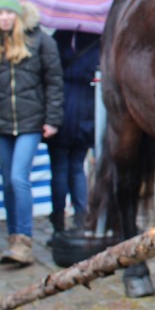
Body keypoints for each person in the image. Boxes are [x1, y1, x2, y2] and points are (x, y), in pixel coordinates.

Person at [0, 0, 63, 267]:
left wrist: (52, 119)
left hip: (30, 122)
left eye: (8, 12)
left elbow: (53, 81)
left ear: (17, 14)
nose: (3, 17)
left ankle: (24, 239)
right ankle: (14, 237)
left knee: (18, 178)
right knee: (8, 183)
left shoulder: (40, 41)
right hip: (1, 125)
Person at [47, 29, 99, 244]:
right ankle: (81, 221)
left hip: (61, 105)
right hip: (87, 108)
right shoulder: (98, 40)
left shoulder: (59, 38)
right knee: (77, 167)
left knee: (60, 167)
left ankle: (58, 223)